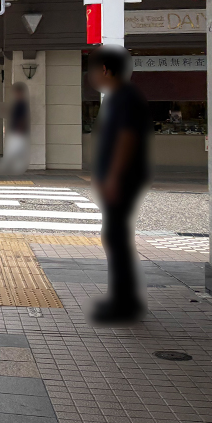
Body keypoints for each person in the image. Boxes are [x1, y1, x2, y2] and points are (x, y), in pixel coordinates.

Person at [87, 46, 151, 324]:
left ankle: (124, 303)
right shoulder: (119, 97)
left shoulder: (125, 97)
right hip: (121, 177)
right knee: (115, 236)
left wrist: (113, 176)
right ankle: (124, 299)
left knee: (115, 237)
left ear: (104, 70)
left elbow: (126, 138)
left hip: (124, 179)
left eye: (92, 70)